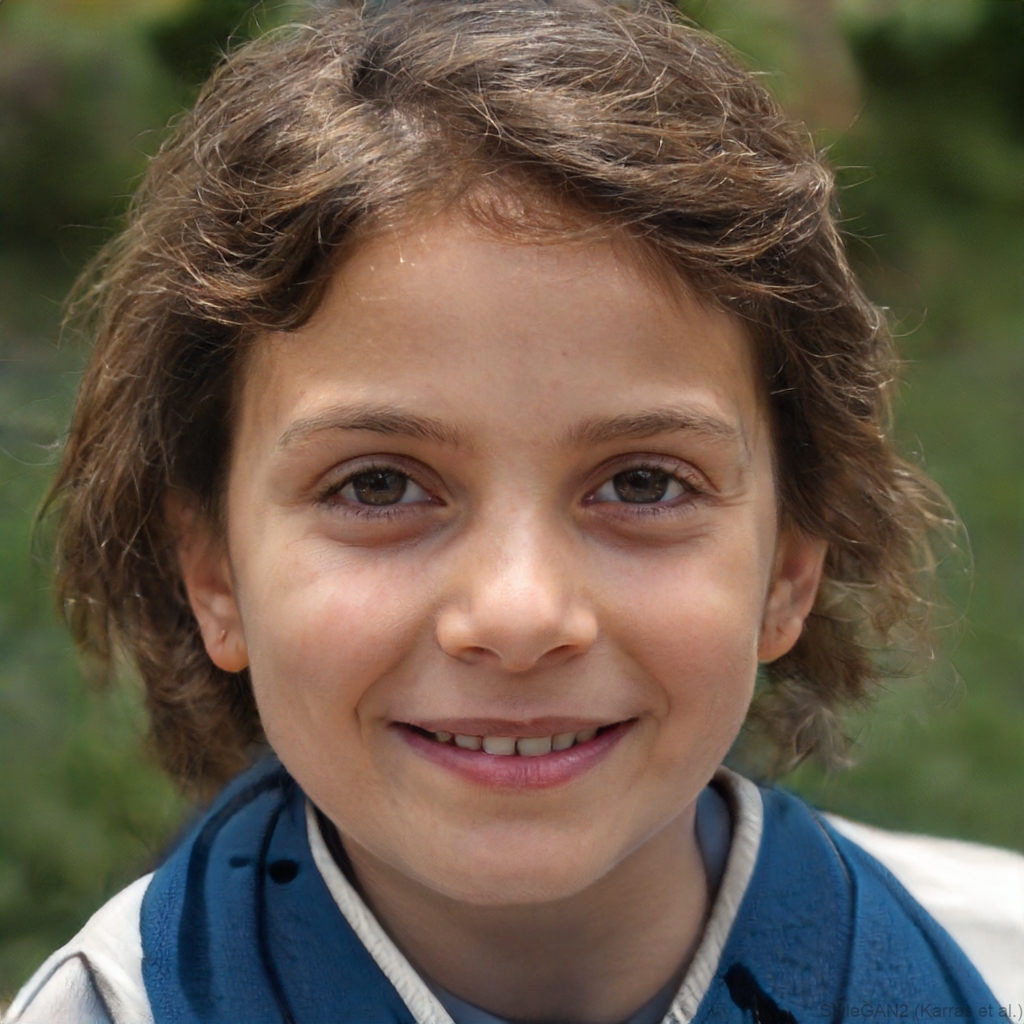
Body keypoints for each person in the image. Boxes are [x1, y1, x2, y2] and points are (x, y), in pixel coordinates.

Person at [4, 1, 1022, 1021]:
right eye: (377, 486)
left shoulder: (991, 972)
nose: (520, 613)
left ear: (791, 565)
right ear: (215, 574)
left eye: (642, 484)